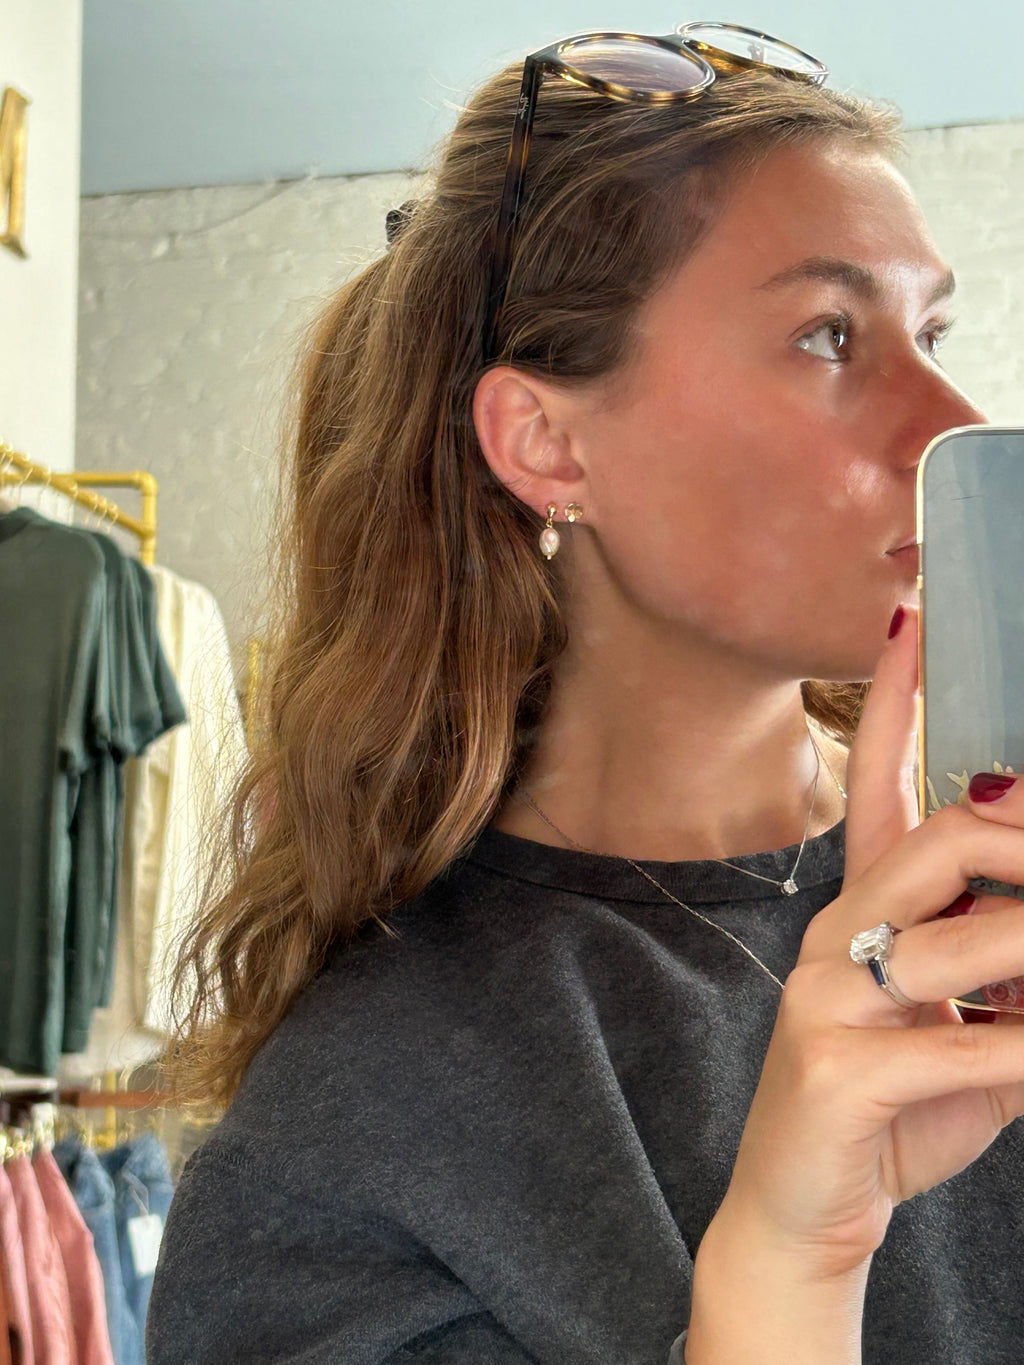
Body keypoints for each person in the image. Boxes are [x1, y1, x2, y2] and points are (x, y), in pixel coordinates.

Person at [146, 23, 1024, 1365]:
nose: (945, 415)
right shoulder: (352, 1139)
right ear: (551, 444)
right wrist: (786, 1273)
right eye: (829, 333)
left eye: (933, 328)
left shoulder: (990, 891)